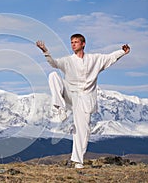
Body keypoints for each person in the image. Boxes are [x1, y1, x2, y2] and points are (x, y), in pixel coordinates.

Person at [36, 34, 130, 169]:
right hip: (69, 93)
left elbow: (110, 58)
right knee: (53, 76)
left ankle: (78, 161)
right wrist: (45, 51)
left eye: (76, 42)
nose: (73, 44)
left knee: (82, 130)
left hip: (85, 99)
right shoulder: (68, 60)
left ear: (83, 44)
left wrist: (123, 52)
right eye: (71, 42)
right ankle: (60, 108)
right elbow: (54, 63)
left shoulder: (94, 59)